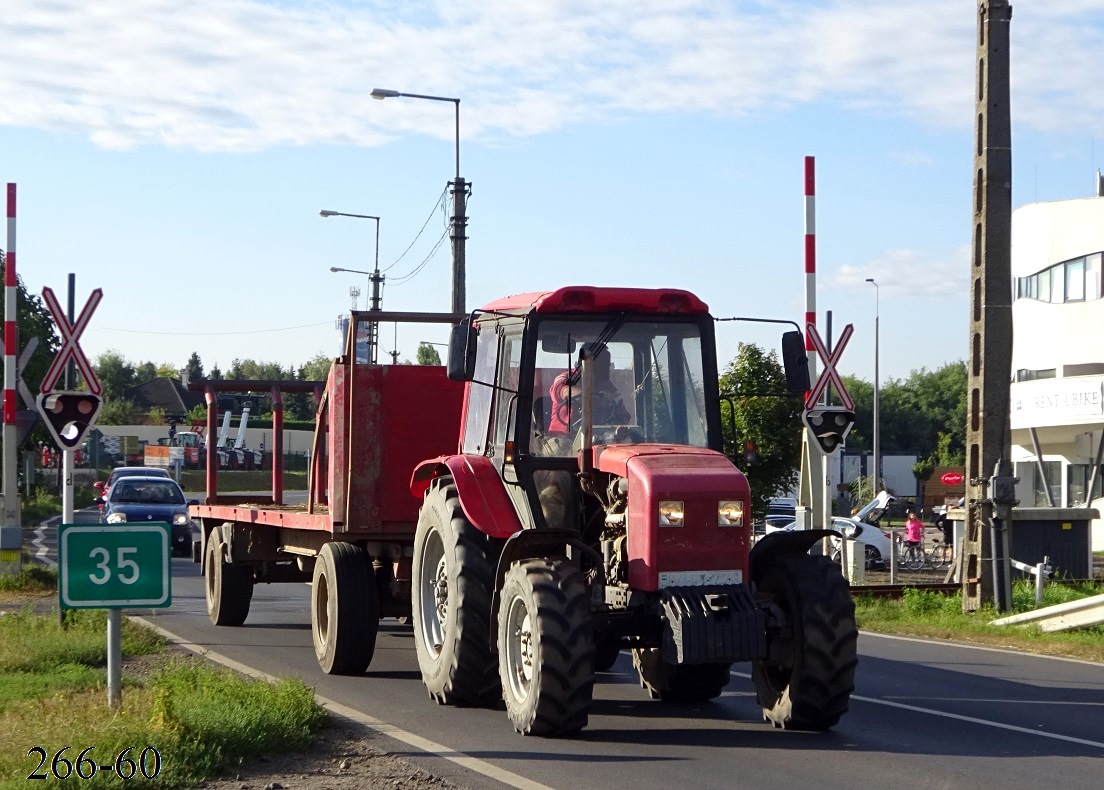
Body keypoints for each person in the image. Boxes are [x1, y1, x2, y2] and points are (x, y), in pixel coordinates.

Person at [547, 345, 630, 435]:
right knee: (559, 448)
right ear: (584, 363)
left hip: (598, 436)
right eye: (599, 364)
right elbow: (560, 390)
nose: (603, 369)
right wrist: (590, 397)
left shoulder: (607, 386)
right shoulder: (568, 377)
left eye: (605, 365)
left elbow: (622, 414)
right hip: (562, 437)